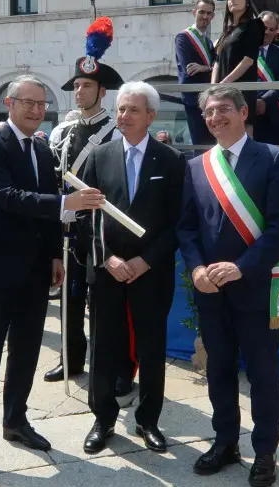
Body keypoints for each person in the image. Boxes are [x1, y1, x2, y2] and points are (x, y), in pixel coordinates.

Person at [0, 75, 106, 487]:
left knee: (25, 352)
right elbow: (6, 197)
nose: (37, 111)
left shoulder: (41, 146)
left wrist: (55, 256)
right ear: (9, 102)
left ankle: (15, 421)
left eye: (43, 104)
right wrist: (65, 203)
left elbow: (43, 211)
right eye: (29, 103)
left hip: (37, 269)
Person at [177, 85, 279, 487]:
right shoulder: (197, 167)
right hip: (211, 289)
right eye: (209, 112)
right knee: (219, 369)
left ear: (244, 112)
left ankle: (265, 450)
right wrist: (195, 269)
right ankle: (226, 441)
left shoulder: (274, 158)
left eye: (224, 109)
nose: (216, 118)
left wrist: (242, 267)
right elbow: (188, 228)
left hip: (256, 287)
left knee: (263, 373)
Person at [79, 81, 186, 456]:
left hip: (151, 273)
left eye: (133, 110)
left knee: (152, 348)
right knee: (104, 346)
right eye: (121, 109)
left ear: (151, 116)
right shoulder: (100, 155)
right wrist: (107, 257)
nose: (123, 116)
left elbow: (179, 224)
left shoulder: (171, 161)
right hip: (108, 270)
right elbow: (85, 217)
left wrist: (145, 260)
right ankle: (103, 418)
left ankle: (148, 420)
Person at [44, 22, 126, 384]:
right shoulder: (62, 130)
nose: (79, 92)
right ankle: (71, 358)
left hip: (103, 227)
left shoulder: (117, 130)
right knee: (69, 300)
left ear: (102, 90)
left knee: (107, 302)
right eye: (76, 86)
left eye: (86, 86)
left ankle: (112, 365)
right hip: (69, 225)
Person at [212, 0, 263, 136]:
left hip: (241, 91)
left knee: (243, 133)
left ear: (247, 3)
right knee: (223, 131)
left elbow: (248, 60)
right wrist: (212, 86)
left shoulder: (253, 25)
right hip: (221, 91)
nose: (233, 0)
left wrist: (224, 83)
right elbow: (217, 61)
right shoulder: (227, 30)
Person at [175, 0, 217, 147]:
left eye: (209, 13)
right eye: (202, 12)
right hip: (193, 99)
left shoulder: (209, 42)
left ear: (213, 16)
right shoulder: (183, 38)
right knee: (200, 145)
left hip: (210, 99)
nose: (205, 16)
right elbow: (189, 70)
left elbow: (213, 67)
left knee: (211, 144)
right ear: (194, 12)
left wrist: (205, 68)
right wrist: (209, 68)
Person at [254, 11, 279, 145]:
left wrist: (264, 101)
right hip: (247, 114)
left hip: (274, 115)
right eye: (264, 28)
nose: (267, 32)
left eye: (272, 29)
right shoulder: (244, 51)